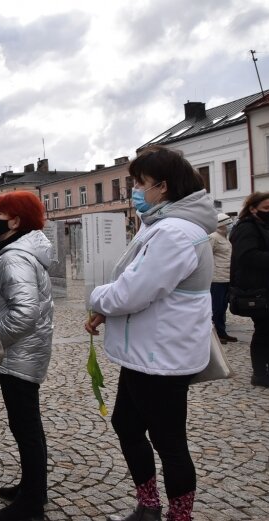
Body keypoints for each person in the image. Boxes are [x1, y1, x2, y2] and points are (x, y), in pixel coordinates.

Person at [84, 146, 216, 521]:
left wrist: (97, 299)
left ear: (163, 186)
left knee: (170, 443)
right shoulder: (164, 225)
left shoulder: (175, 232)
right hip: (147, 352)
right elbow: (146, 289)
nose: (134, 191)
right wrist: (106, 311)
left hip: (161, 357)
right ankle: (148, 504)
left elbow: (133, 291)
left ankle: (178, 515)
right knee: (126, 423)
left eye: (139, 183)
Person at [0, 191, 53, 521]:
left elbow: (24, 313)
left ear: (16, 221)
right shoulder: (17, 251)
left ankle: (32, 505)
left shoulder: (14, 258)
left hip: (18, 354)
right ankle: (32, 488)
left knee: (26, 428)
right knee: (27, 426)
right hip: (23, 352)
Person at [229, 191, 269, 387]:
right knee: (263, 330)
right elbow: (247, 256)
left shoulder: (263, 226)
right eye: (266, 208)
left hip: (263, 287)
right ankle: (260, 373)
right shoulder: (246, 228)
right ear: (253, 209)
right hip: (257, 290)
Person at [209, 213, 237, 343]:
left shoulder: (225, 238)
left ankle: (222, 332)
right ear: (222, 225)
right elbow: (207, 256)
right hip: (216, 279)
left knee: (223, 308)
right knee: (216, 307)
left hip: (226, 277)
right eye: (228, 223)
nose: (231, 225)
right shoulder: (213, 237)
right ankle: (216, 335)